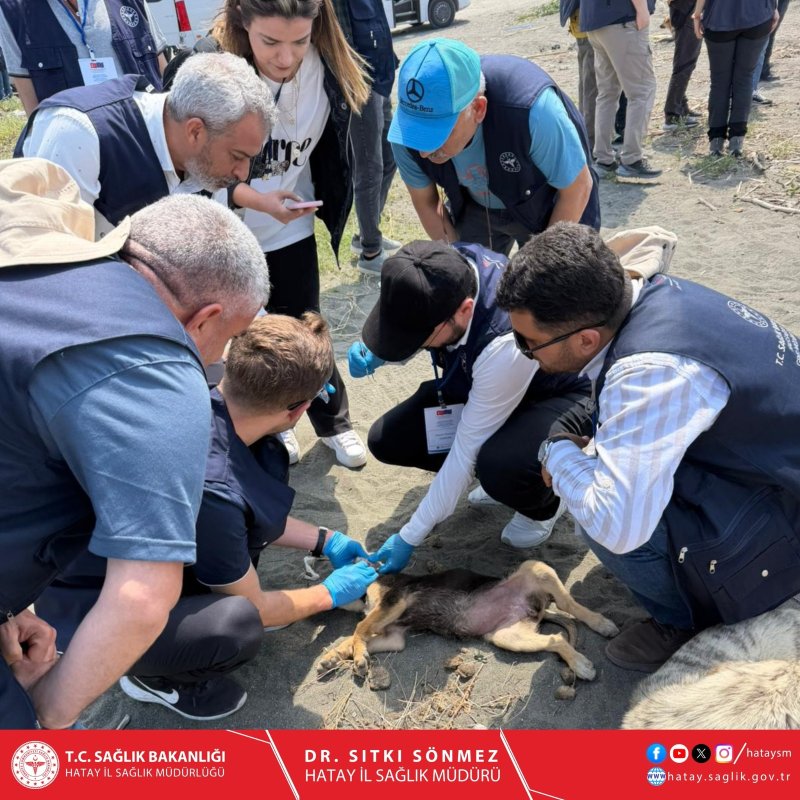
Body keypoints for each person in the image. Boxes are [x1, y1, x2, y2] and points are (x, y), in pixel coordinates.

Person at [0, 157, 269, 729]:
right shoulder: (154, 370)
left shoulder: (32, 245)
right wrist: (45, 714)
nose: (217, 360)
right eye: (226, 340)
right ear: (206, 318)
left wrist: (13, 602)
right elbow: (142, 597)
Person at [33, 313, 377, 721]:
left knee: (269, 461)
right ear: (298, 410)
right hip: (94, 604)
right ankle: (155, 678)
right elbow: (255, 601)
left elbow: (248, 509)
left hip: (124, 559)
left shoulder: (203, 401)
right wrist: (329, 593)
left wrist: (324, 539)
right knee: (237, 623)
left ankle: (203, 597)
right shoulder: (214, 490)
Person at [495, 221, 800, 673]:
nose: (524, 351)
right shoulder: (648, 293)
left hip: (784, 513)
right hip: (772, 468)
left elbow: (618, 525)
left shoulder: (649, 372)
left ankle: (682, 622)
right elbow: (610, 401)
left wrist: (555, 456)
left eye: (529, 343)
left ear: (585, 339)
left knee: (595, 518)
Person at [347, 241, 592, 570]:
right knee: (387, 439)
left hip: (561, 392)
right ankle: (501, 473)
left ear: (463, 310)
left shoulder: (504, 341)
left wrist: (410, 535)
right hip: (486, 382)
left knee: (499, 465)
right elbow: (413, 315)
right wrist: (382, 350)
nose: (412, 344)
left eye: (418, 338)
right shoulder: (440, 267)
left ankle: (547, 501)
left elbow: (466, 450)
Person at [211, 0, 371, 470]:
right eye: (270, 43)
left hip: (292, 223)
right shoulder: (216, 71)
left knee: (305, 325)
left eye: (299, 41)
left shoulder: (329, 65)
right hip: (229, 230)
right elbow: (192, 168)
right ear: (243, 22)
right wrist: (256, 199)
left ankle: (334, 421)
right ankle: (275, 427)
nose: (286, 58)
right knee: (248, 334)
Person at [16, 51, 273, 236]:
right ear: (195, 131)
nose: (243, 173)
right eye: (237, 156)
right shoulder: (78, 133)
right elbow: (53, 266)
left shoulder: (204, 161)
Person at [388, 38, 599, 257]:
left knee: (554, 283)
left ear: (478, 108)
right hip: (475, 207)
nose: (424, 152)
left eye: (437, 133)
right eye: (418, 133)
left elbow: (577, 188)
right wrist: (460, 263)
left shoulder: (533, 111)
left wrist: (541, 267)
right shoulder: (404, 136)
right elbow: (427, 202)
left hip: (547, 201)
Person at [0, 0, 167, 116]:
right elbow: (33, 114)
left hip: (146, 144)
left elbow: (164, 77)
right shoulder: (12, 11)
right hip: (76, 155)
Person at [333, 0, 400, 274]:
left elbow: (379, 27)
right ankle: (371, 252)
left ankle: (366, 232)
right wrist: (352, 84)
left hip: (381, 79)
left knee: (391, 156)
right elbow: (340, 40)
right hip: (360, 86)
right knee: (368, 168)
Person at [580, 0, 662, 178]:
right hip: (621, 20)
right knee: (641, 91)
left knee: (607, 93)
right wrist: (642, 9)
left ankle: (603, 158)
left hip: (594, 21)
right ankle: (632, 158)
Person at [693, 0, 779, 156]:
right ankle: (736, 141)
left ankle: (716, 141)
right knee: (745, 78)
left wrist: (697, 14)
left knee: (719, 81)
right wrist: (774, 7)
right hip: (758, 15)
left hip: (720, 18)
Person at [662, 0, 702, 130]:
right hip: (685, 9)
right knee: (684, 64)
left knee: (687, 62)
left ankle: (680, 107)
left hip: (687, 8)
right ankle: (672, 114)